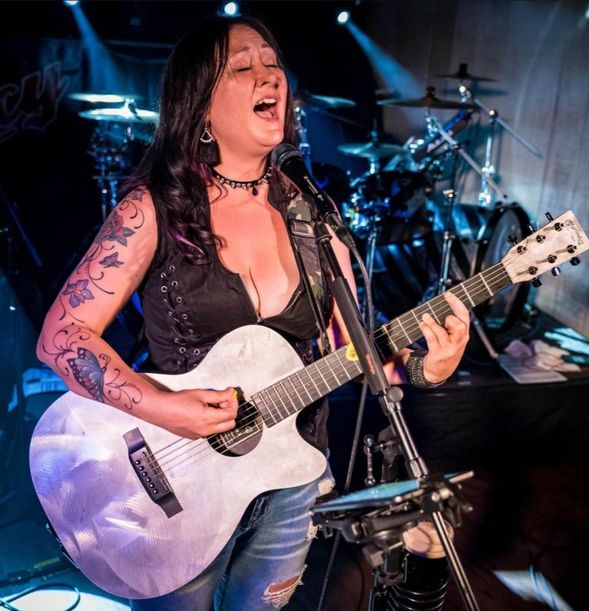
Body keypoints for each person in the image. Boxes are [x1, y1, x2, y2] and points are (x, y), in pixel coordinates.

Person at [36, 14, 470, 611]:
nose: (270, 75)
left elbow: (350, 353)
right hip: (176, 482)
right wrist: (164, 407)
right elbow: (61, 336)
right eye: (243, 67)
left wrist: (425, 368)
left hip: (293, 477)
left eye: (272, 62)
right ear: (201, 108)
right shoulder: (152, 209)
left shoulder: (312, 214)